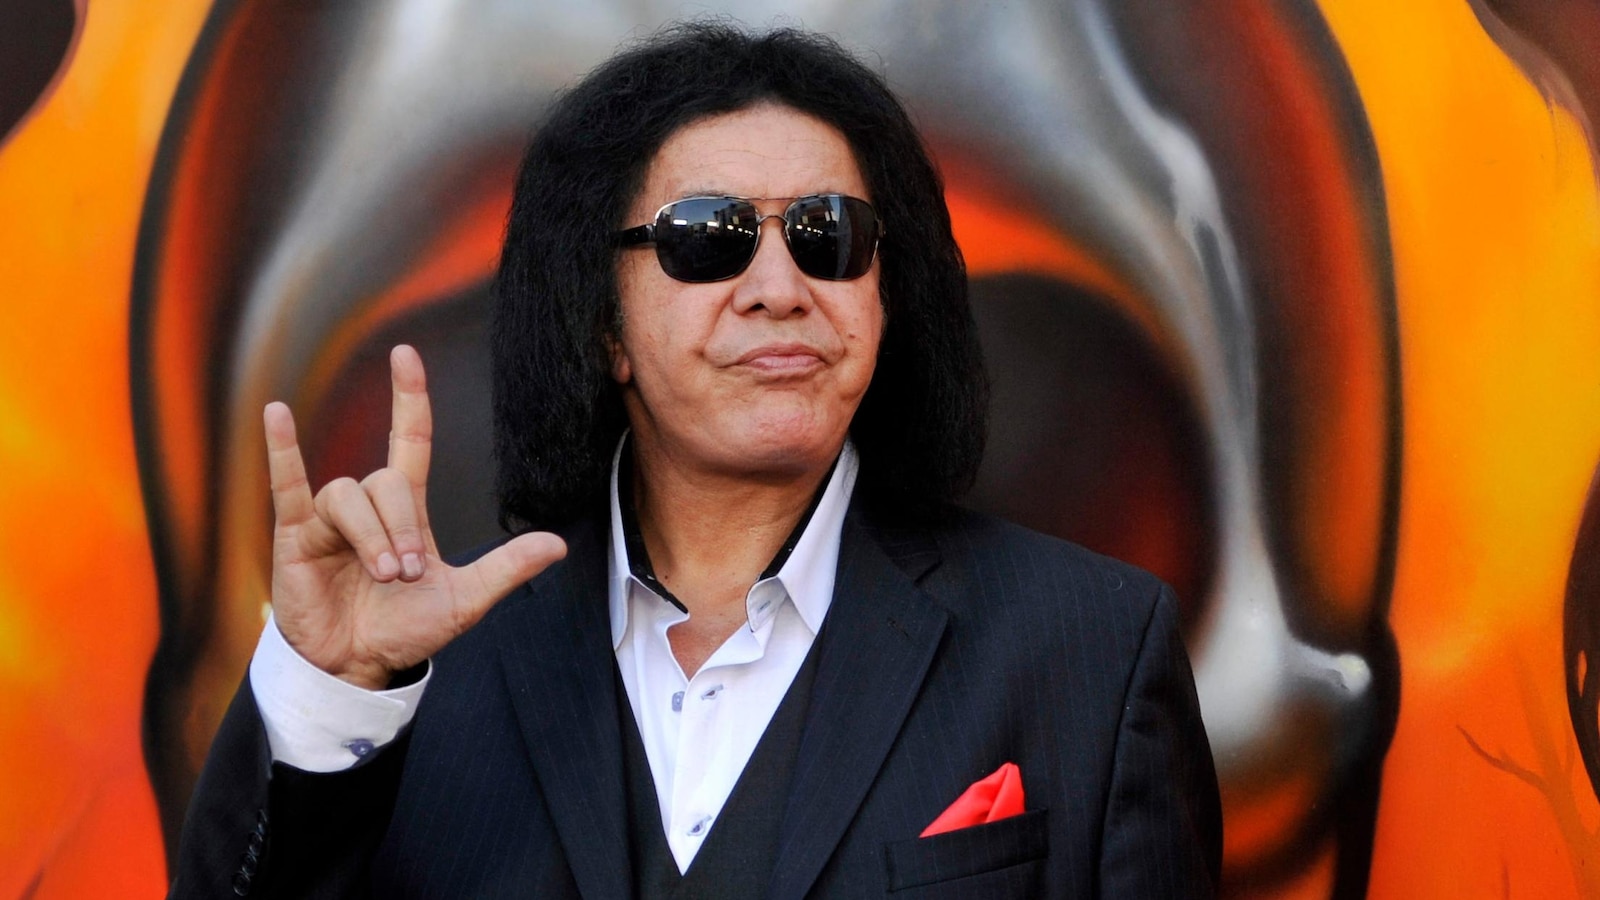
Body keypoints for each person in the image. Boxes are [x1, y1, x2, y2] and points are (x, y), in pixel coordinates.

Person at [168, 22, 1220, 899]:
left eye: (828, 235)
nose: (779, 289)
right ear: (604, 325)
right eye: (709, 237)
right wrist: (331, 692)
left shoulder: (1090, 650)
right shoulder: (420, 673)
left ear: (884, 297)